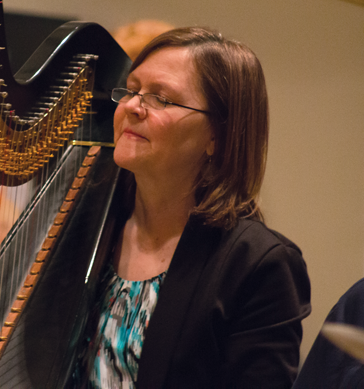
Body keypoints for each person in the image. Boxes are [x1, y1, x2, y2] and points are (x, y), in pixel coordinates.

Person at [73, 27, 311, 388]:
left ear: (217, 135)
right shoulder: (93, 220)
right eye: (132, 89)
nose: (133, 107)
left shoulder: (260, 265)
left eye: (161, 99)